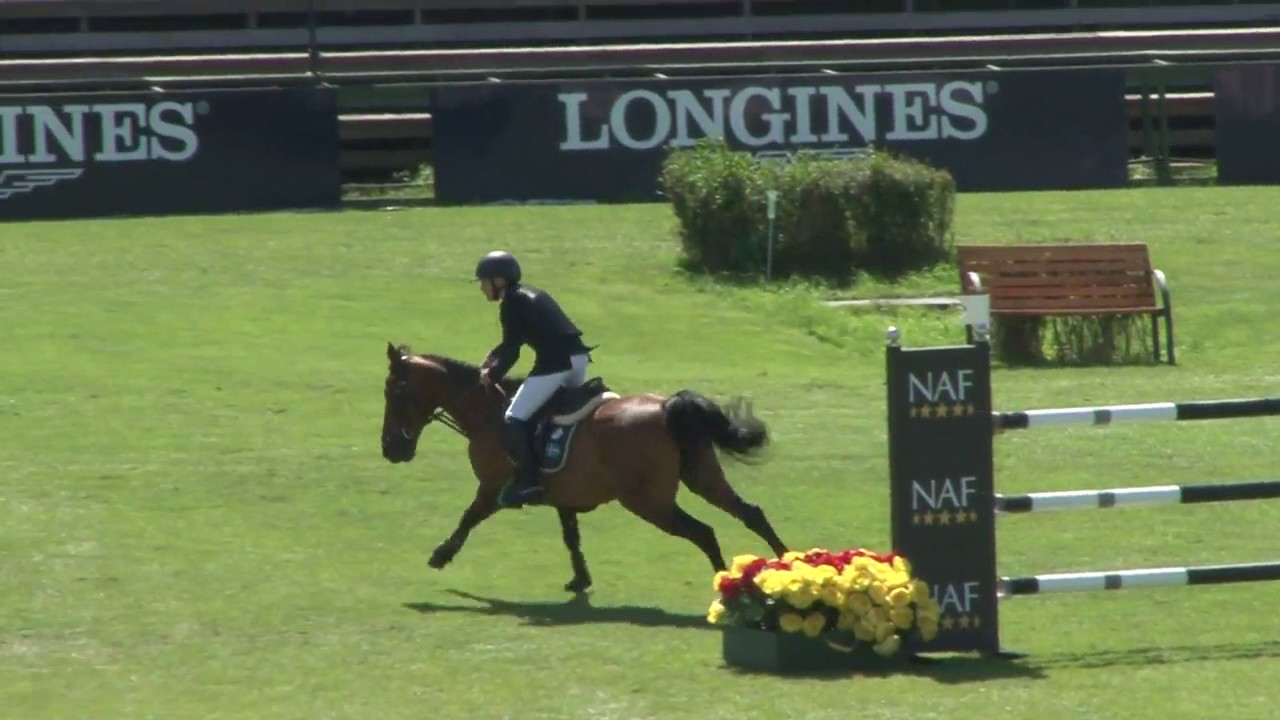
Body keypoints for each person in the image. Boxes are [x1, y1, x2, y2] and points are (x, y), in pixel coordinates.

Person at [474, 250, 594, 507]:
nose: (482, 288)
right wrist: (493, 356)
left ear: (499, 281)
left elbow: (513, 350)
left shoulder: (511, 302)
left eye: (484, 281)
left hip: (556, 364)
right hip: (577, 359)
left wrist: (491, 376)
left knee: (514, 417)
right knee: (555, 413)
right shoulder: (530, 294)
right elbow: (511, 343)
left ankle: (529, 481)